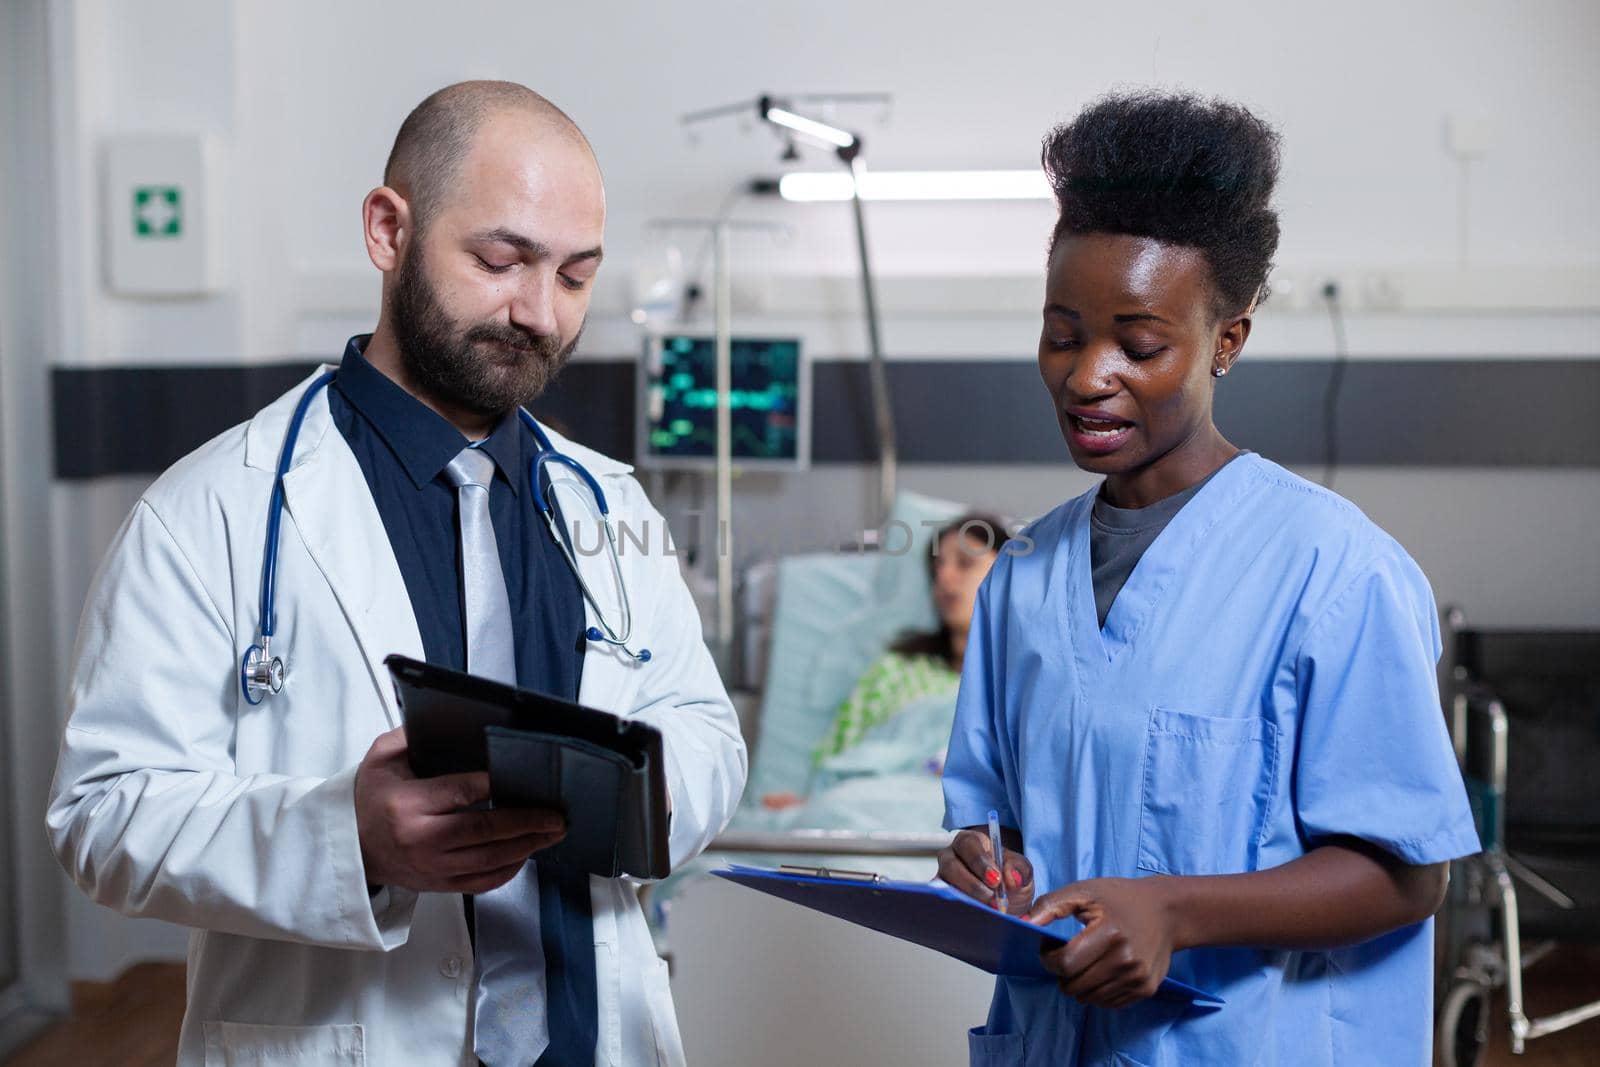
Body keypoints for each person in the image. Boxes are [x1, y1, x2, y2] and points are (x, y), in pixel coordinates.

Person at [46, 81, 746, 1067]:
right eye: (500, 260)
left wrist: (650, 793)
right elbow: (102, 813)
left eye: (577, 275)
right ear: (388, 230)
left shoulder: (607, 505)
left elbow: (705, 726)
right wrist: (347, 838)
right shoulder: (210, 509)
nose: (540, 314)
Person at [937, 90, 1479, 1066]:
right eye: (1062, 332)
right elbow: (1007, 822)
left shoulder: (1334, 573)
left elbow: (1408, 875)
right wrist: (993, 867)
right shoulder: (1022, 574)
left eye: (1139, 345)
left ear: (1225, 340)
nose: (1085, 373)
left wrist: (1174, 911)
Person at [763, 513, 1010, 810]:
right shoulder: (897, 670)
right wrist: (808, 804)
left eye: (965, 563)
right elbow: (843, 762)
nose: (945, 577)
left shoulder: (1025, 678)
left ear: (1008, 574)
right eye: (937, 568)